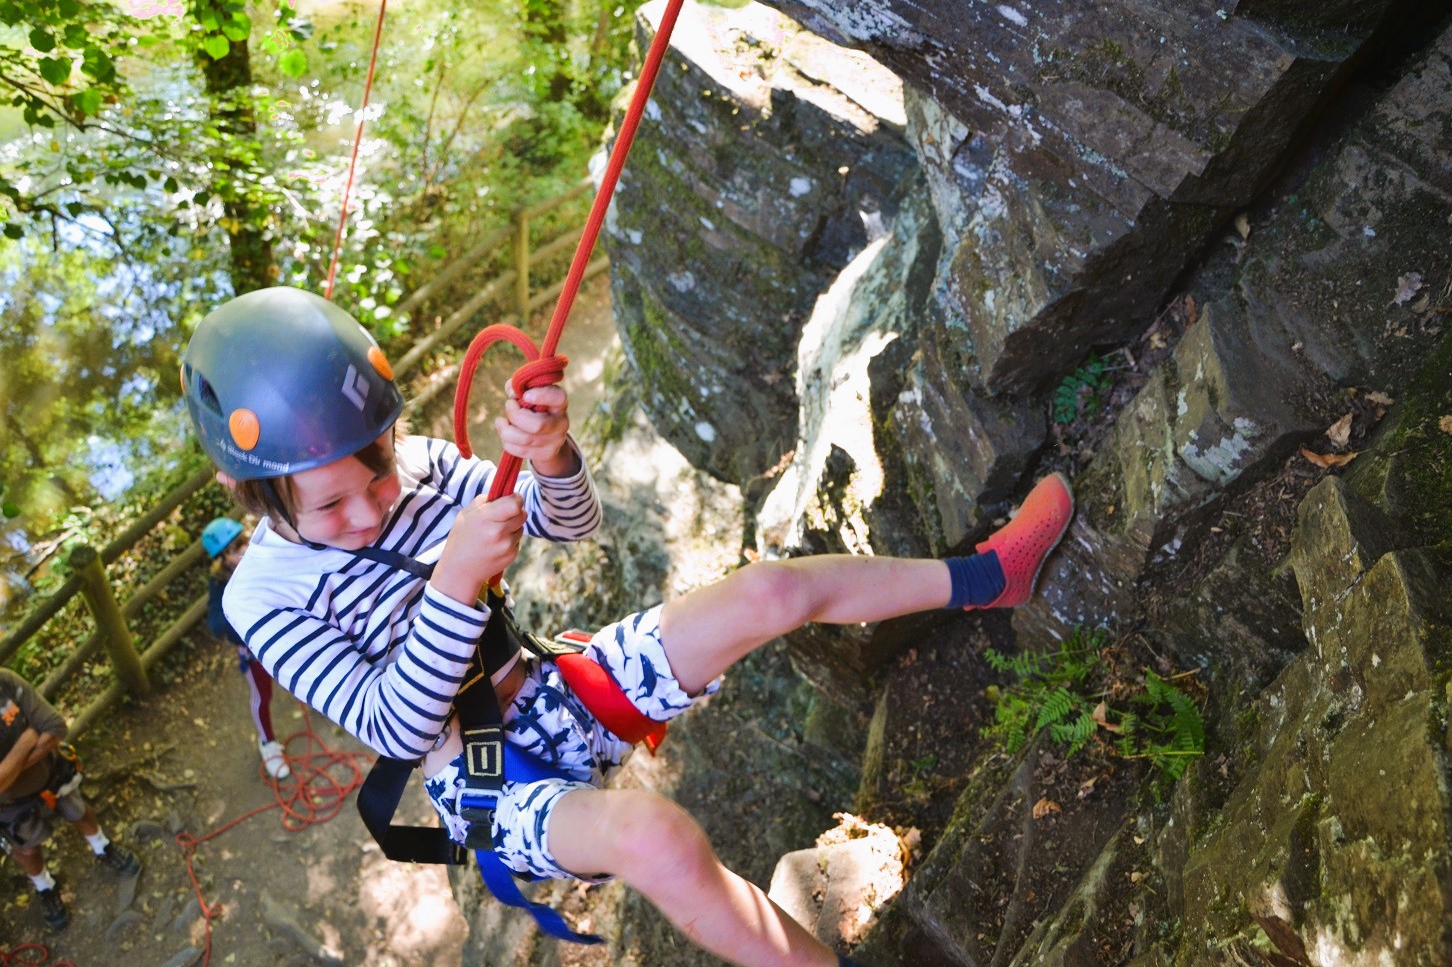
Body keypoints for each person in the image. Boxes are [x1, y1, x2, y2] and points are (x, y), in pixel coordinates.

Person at [181, 287, 1074, 967]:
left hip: (560, 687)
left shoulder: (413, 466)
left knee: (764, 593)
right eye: (332, 503)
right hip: (478, 777)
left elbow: (565, 522)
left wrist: (551, 456)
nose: (372, 511)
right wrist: (452, 587)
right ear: (251, 492)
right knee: (655, 835)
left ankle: (990, 576)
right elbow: (393, 727)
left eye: (375, 480)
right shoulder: (263, 598)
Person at [0, 668, 142, 932]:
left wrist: (10, 771)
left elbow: (54, 727)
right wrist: (27, 740)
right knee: (27, 849)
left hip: (53, 774)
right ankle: (45, 887)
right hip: (11, 808)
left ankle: (102, 846)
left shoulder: (5, 682)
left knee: (78, 811)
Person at [202, 516, 291, 780]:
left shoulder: (261, 556)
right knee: (262, 696)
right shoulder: (220, 585)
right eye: (230, 552)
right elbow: (216, 622)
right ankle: (268, 744)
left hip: (281, 633)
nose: (239, 553)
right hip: (252, 650)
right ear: (221, 560)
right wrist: (245, 624)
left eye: (240, 544)